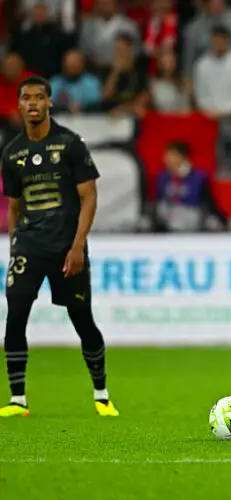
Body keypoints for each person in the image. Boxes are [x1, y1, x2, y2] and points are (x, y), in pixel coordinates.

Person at [0, 76, 118, 417]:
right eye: (27, 98)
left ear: (50, 102)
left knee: (82, 319)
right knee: (15, 319)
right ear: (19, 104)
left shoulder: (70, 144)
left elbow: (89, 197)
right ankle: (18, 399)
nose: (33, 103)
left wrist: (78, 245)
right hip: (28, 249)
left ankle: (101, 394)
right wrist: (14, 247)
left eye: (39, 97)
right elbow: (14, 204)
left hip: (67, 248)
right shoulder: (12, 153)